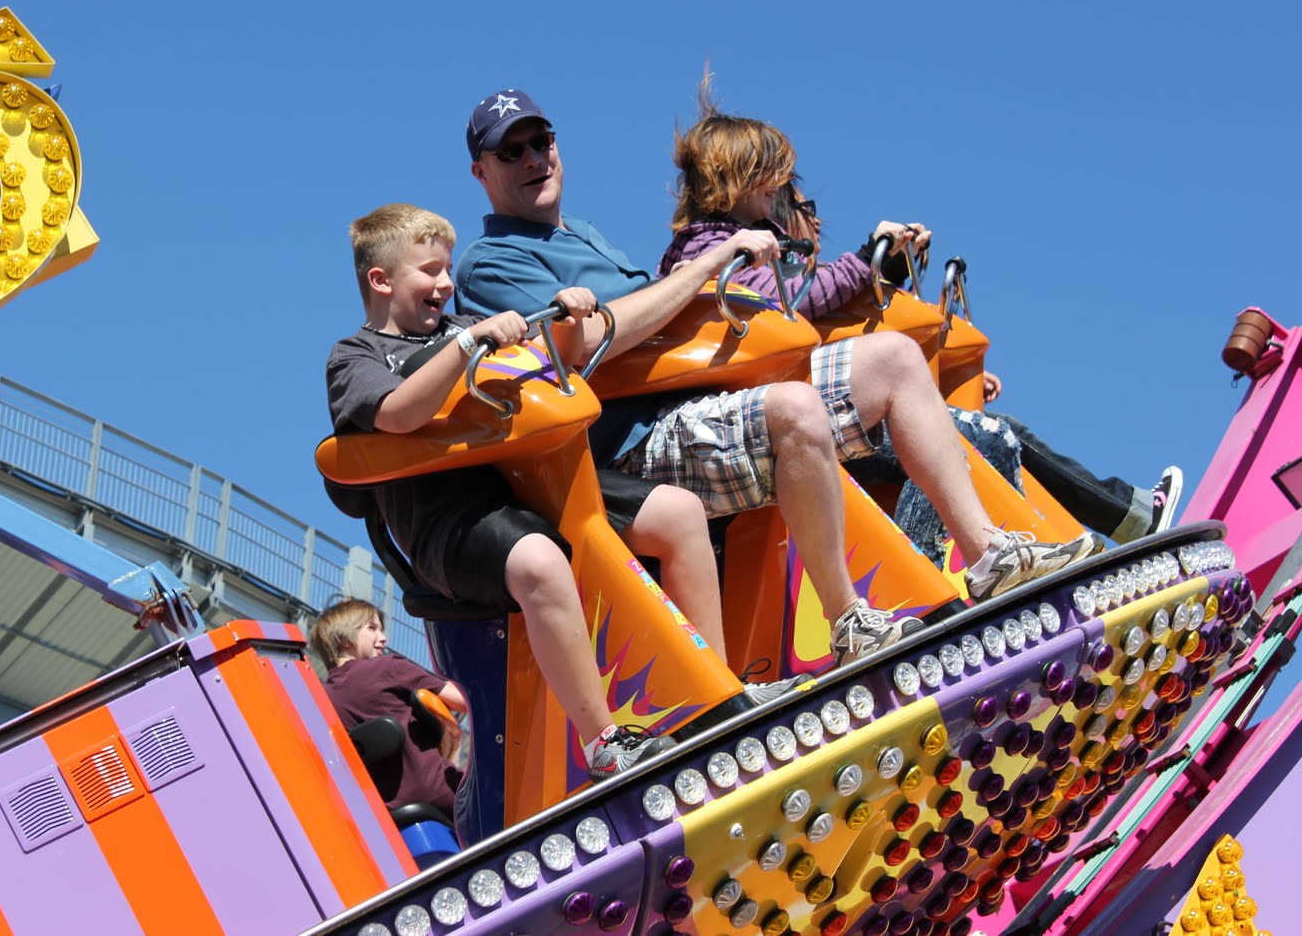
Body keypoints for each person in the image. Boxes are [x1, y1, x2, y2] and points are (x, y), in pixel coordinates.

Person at [454, 89, 1099, 665]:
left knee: (896, 358)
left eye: (541, 141)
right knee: (795, 407)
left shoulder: (585, 237)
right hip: (630, 444)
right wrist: (708, 267)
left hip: (699, 401)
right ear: (482, 172)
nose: (534, 158)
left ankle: (988, 554)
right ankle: (848, 621)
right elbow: (585, 345)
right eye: (511, 151)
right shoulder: (490, 262)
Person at [325, 203, 806, 781]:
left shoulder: (461, 328)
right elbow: (397, 414)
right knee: (540, 560)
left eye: (448, 269)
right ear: (381, 280)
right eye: (430, 271)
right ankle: (603, 741)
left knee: (680, 512)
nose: (446, 284)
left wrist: (567, 321)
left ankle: (714, 697)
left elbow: (552, 361)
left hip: (531, 484)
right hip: (449, 518)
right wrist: (466, 346)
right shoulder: (357, 356)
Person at [657, 87, 1182, 555]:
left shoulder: (740, 247)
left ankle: (1089, 533)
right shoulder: (713, 250)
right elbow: (788, 304)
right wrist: (865, 260)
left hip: (809, 411)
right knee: (978, 437)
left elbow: (818, 320)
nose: (781, 188)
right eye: (771, 177)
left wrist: (883, 268)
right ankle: (940, 587)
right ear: (738, 179)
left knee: (989, 432)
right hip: (782, 426)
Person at [311, 598, 468, 819]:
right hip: (441, 790)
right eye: (372, 628)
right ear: (344, 638)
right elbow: (463, 700)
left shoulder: (321, 700)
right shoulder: (388, 667)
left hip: (387, 813)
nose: (383, 637)